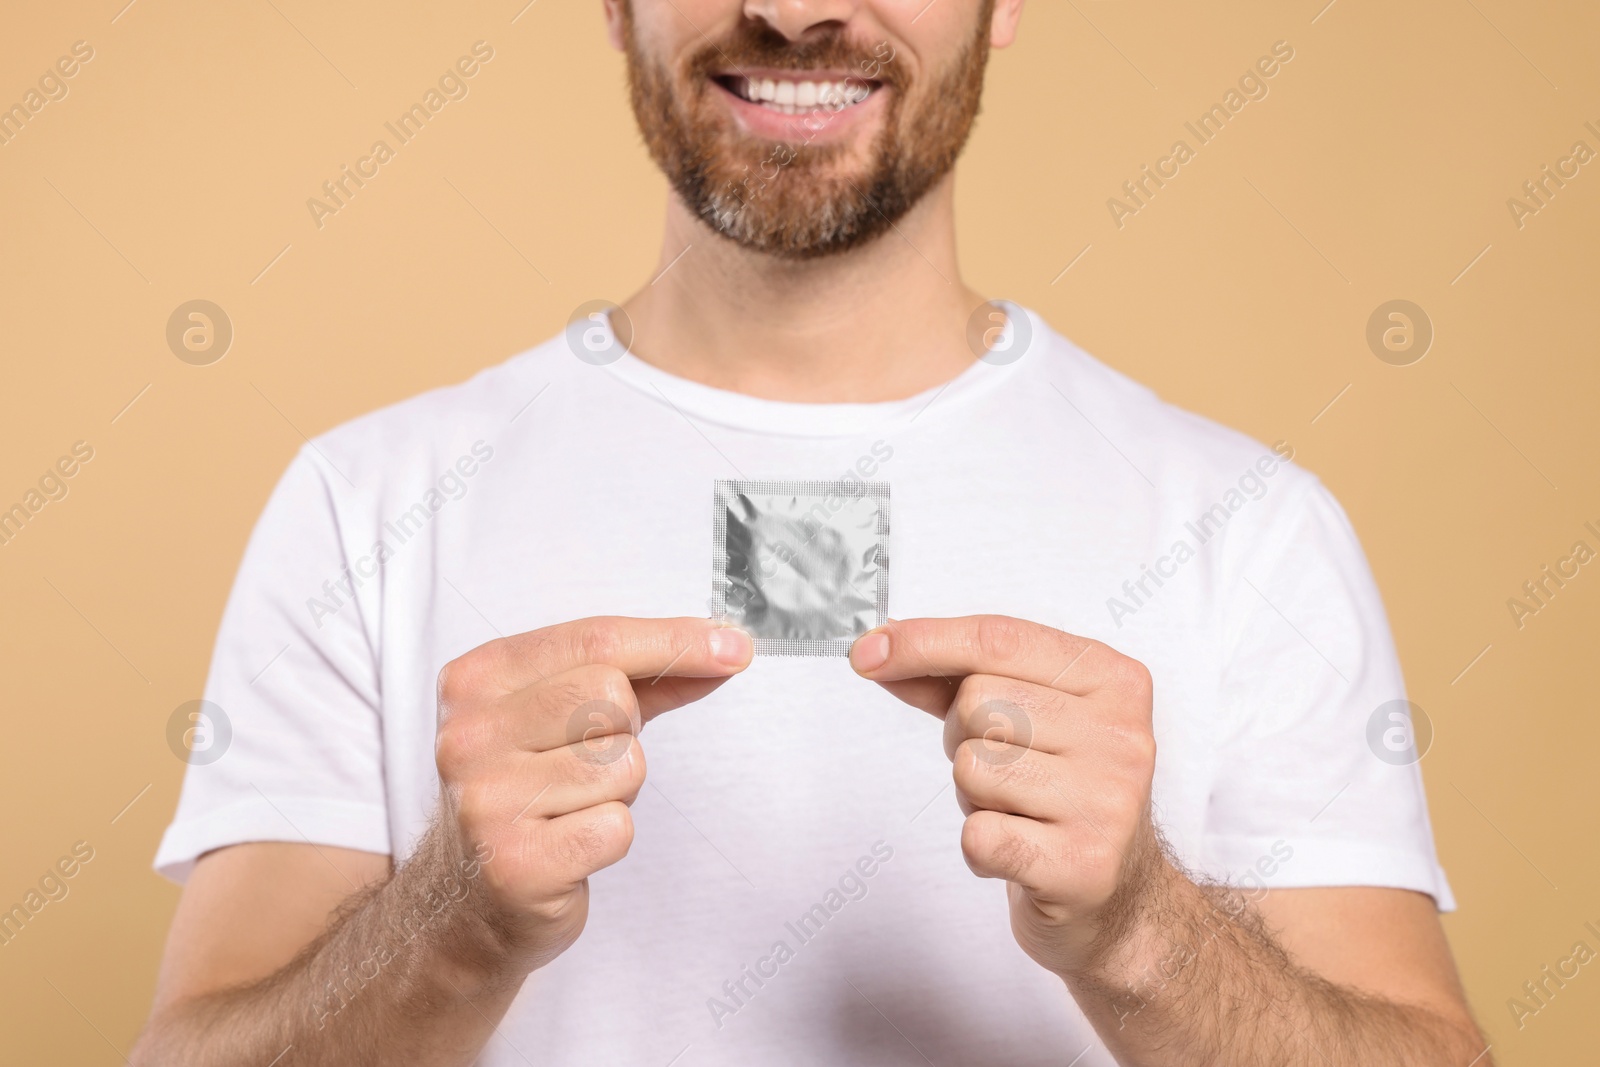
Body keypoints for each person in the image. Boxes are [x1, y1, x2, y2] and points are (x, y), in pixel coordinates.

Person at [134, 2, 1491, 1064]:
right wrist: (448, 924)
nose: (792, 12)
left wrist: (1145, 927)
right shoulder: (366, 504)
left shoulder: (1246, 529)